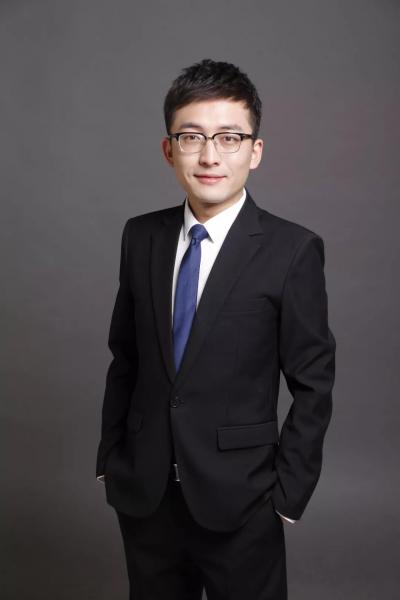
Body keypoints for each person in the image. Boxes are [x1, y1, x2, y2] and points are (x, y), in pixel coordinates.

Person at [95, 58, 336, 600]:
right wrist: (110, 458)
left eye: (229, 138)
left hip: (244, 499)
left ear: (255, 150)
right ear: (169, 149)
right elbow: (125, 356)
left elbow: (314, 383)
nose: (209, 156)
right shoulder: (141, 237)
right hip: (146, 494)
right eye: (192, 137)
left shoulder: (292, 250)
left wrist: (287, 494)